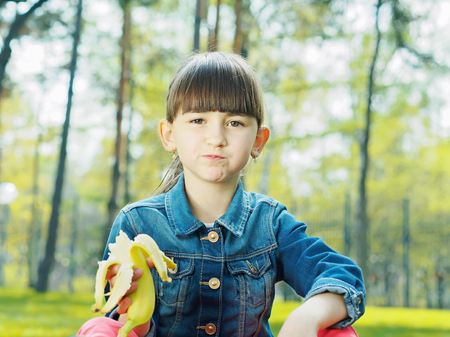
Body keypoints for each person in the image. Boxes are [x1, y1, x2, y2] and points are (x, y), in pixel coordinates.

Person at [78, 52, 365, 337]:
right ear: (169, 135)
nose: (216, 138)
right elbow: (118, 324)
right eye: (198, 120)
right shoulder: (137, 224)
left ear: (258, 140)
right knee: (97, 330)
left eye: (234, 123)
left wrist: (307, 318)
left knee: (340, 332)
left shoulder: (270, 223)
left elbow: (341, 275)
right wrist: (134, 314)